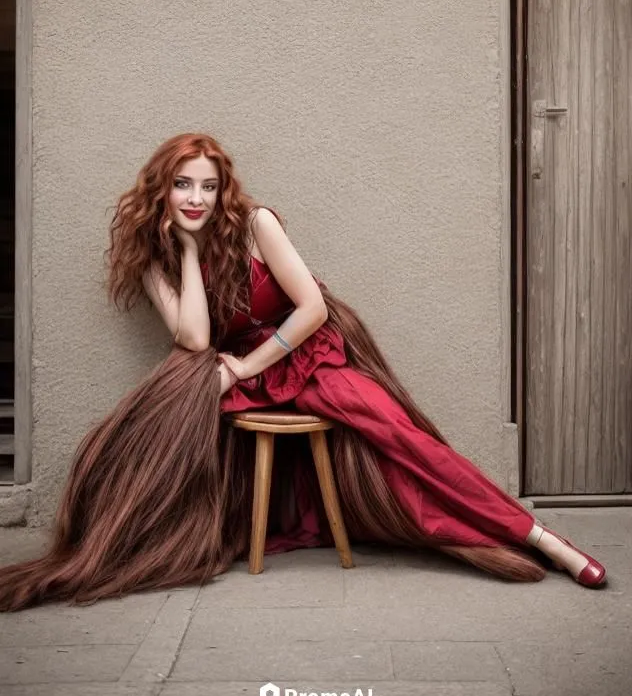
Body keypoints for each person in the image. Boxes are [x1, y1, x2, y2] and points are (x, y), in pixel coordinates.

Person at [0, 133, 606, 610]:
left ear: (223, 191)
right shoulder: (157, 257)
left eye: (208, 187)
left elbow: (311, 310)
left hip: (303, 350)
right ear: (162, 191)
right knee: (161, 423)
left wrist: (240, 372)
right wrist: (186, 251)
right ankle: (123, 541)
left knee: (398, 439)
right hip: (237, 362)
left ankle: (541, 539)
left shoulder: (257, 224)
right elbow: (195, 339)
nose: (196, 199)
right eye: (183, 185)